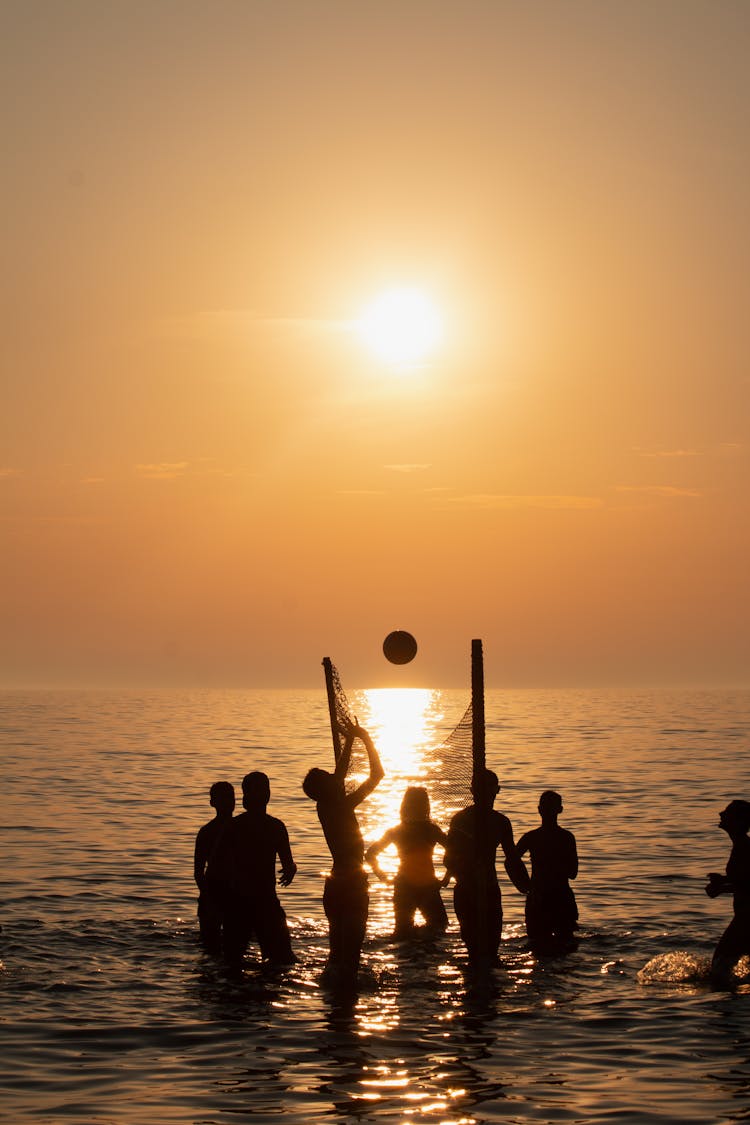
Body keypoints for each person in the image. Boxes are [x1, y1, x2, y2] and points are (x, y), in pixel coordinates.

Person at [302, 717, 384, 981]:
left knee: (337, 955)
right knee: (350, 958)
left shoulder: (326, 806)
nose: (337, 779)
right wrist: (366, 739)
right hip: (352, 883)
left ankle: (335, 1008)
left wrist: (350, 739)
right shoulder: (343, 806)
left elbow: (339, 773)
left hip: (335, 882)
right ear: (327, 789)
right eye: (330, 780)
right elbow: (377, 775)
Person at [443, 768, 529, 967]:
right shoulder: (461, 820)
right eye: (484, 790)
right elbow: (448, 859)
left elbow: (512, 860)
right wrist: (465, 869)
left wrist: (528, 887)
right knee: (474, 948)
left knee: (491, 948)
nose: (489, 795)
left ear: (496, 791)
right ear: (473, 791)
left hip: (489, 889)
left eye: (492, 790)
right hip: (467, 889)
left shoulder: (500, 822)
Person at [222, 771, 297, 967]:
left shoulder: (271, 827)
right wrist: (290, 870)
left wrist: (290, 870)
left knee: (235, 963)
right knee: (280, 962)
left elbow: (288, 863)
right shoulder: (239, 827)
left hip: (256, 901)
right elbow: (218, 864)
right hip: (246, 901)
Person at [365, 786, 448, 940]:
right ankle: (422, 946)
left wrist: (382, 876)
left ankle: (412, 948)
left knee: (402, 932)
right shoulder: (431, 830)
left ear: (404, 806)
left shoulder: (397, 831)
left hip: (404, 886)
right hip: (427, 886)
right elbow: (454, 851)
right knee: (439, 924)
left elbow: (370, 854)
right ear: (426, 806)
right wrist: (446, 878)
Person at [516, 790, 579, 954]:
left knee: (537, 947)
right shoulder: (566, 838)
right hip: (559, 896)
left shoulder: (532, 837)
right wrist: (526, 887)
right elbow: (573, 873)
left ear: (539, 810)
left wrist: (526, 886)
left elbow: (511, 860)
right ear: (560, 810)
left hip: (541, 897)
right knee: (565, 948)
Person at [705, 799, 750, 983]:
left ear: (738, 821)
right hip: (743, 916)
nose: (721, 814)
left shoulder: (745, 848)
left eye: (727, 812)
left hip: (747, 919)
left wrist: (722, 888)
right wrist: (724, 880)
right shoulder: (741, 845)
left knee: (718, 968)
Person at [193, 781, 236, 954]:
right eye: (223, 799)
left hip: (234, 893)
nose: (228, 802)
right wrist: (207, 895)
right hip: (214, 891)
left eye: (230, 798)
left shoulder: (241, 828)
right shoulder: (207, 832)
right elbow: (198, 871)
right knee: (210, 945)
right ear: (213, 803)